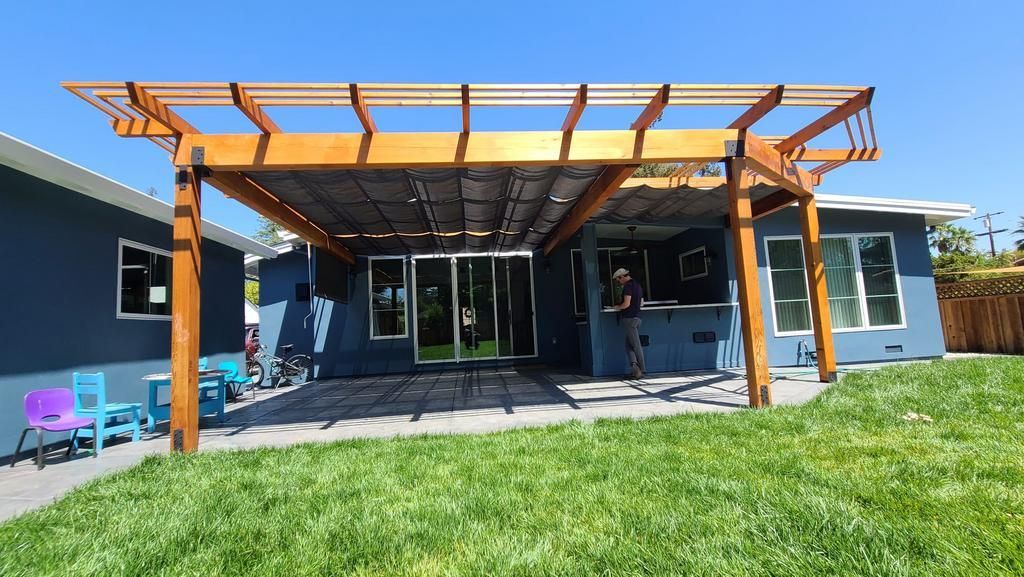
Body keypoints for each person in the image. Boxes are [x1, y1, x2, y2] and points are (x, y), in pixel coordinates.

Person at [612, 268, 646, 379]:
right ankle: (635, 369)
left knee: (635, 345)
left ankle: (642, 369)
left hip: (629, 319)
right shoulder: (637, 285)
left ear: (622, 277)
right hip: (637, 318)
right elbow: (641, 302)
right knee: (628, 345)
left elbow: (626, 304)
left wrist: (617, 307)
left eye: (618, 280)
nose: (619, 282)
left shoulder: (628, 286)